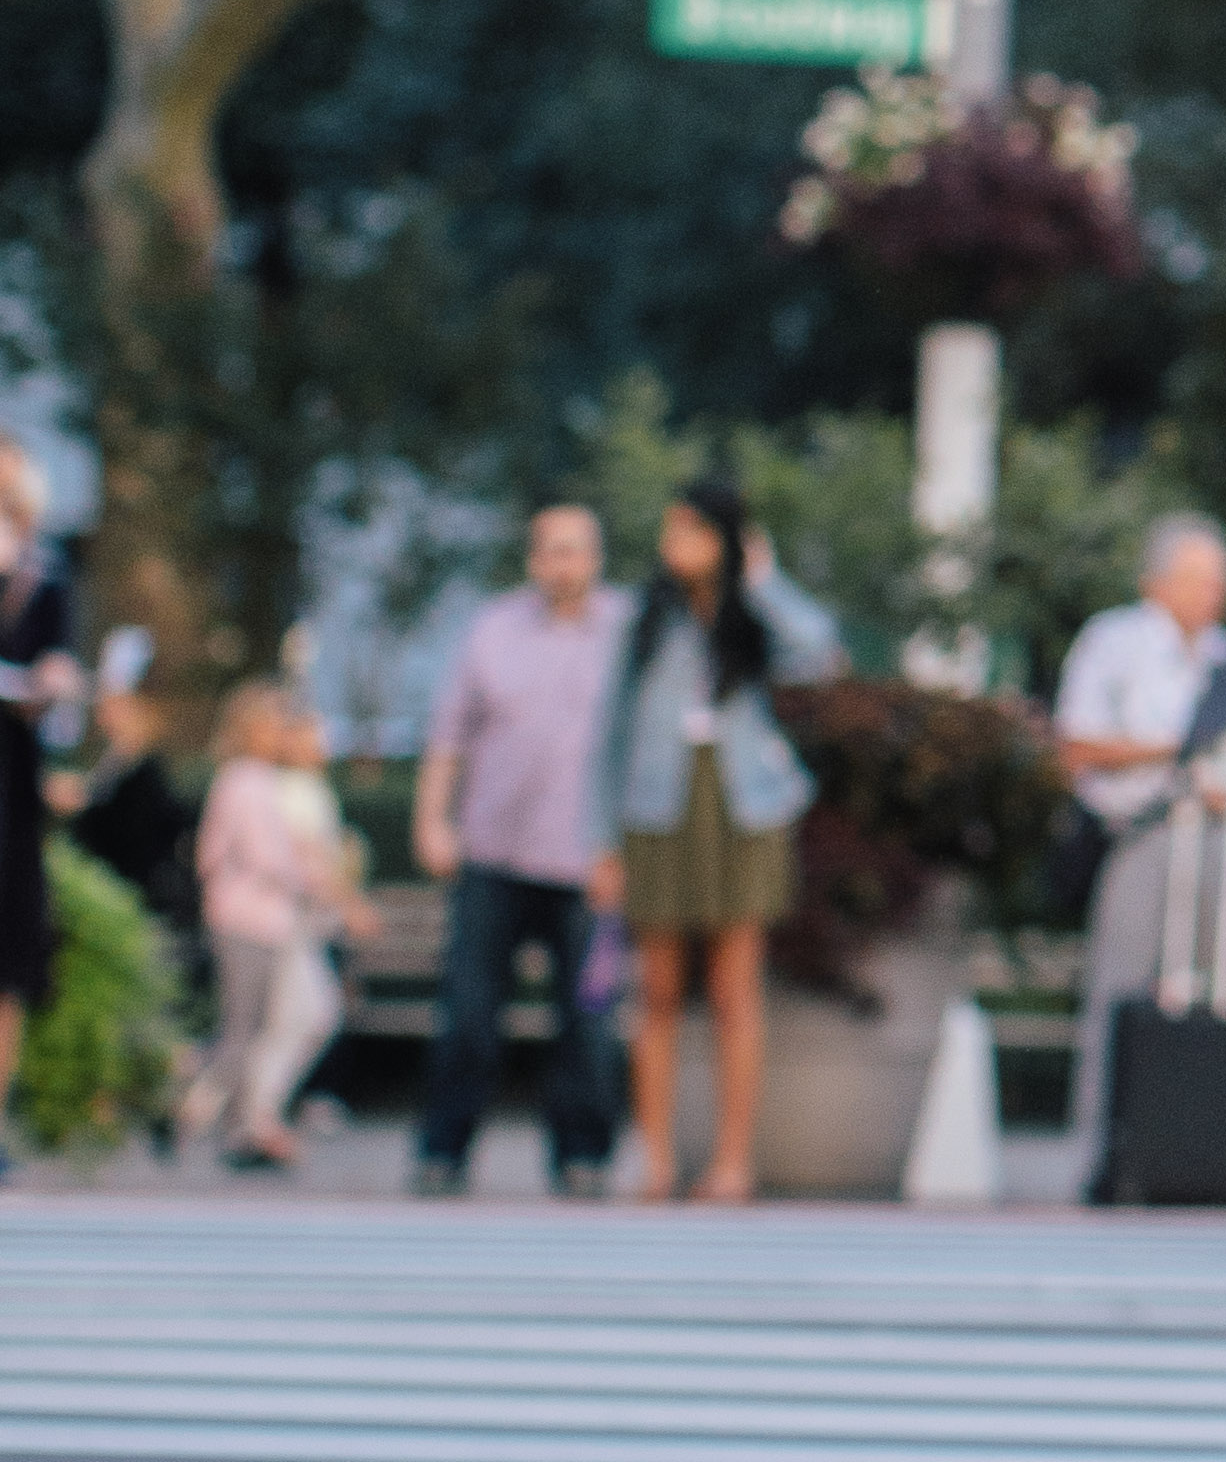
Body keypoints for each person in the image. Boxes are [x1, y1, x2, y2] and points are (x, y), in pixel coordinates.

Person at [592, 482, 841, 1203]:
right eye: (670, 528)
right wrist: (599, 842)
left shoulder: (753, 615)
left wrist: (763, 580)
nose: (676, 543)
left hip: (743, 808)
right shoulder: (644, 619)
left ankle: (733, 1161)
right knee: (658, 989)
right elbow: (607, 735)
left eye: (691, 529)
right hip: (656, 807)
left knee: (736, 991)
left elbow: (821, 652)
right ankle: (656, 1155)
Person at [411, 501, 629, 1195]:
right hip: (493, 854)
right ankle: (443, 1150)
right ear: (534, 558)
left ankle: (583, 1156)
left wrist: (627, 852)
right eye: (551, 549)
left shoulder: (627, 632)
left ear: (596, 557)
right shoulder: (491, 630)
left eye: (577, 549)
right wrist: (430, 822)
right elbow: (449, 737)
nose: (564, 563)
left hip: (589, 862)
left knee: (588, 1022)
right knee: (469, 1014)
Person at [1051, 514, 1226, 1190]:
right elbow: (1077, 742)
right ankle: (1100, 1151)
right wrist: (1175, 752)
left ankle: (1188, 1148)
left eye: (1218, 581)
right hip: (1139, 830)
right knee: (1121, 990)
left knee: (1208, 994)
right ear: (1158, 581)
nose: (1211, 595)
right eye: (1197, 579)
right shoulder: (1116, 640)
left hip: (1215, 837)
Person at [190, 676, 358, 1175]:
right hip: (248, 918)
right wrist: (313, 882)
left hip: (266, 921)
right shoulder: (243, 781)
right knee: (246, 1026)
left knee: (259, 1025)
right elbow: (265, 856)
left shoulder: (257, 781)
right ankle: (188, 1106)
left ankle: (241, 1123)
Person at [0, 436, 82, 1163]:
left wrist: (54, 683)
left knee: (9, 962)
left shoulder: (42, 574)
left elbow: (59, 661)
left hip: (11, 785)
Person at [66, 632, 204, 981]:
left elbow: (143, 830)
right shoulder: (111, 763)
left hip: (133, 896)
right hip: (111, 893)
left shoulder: (144, 769)